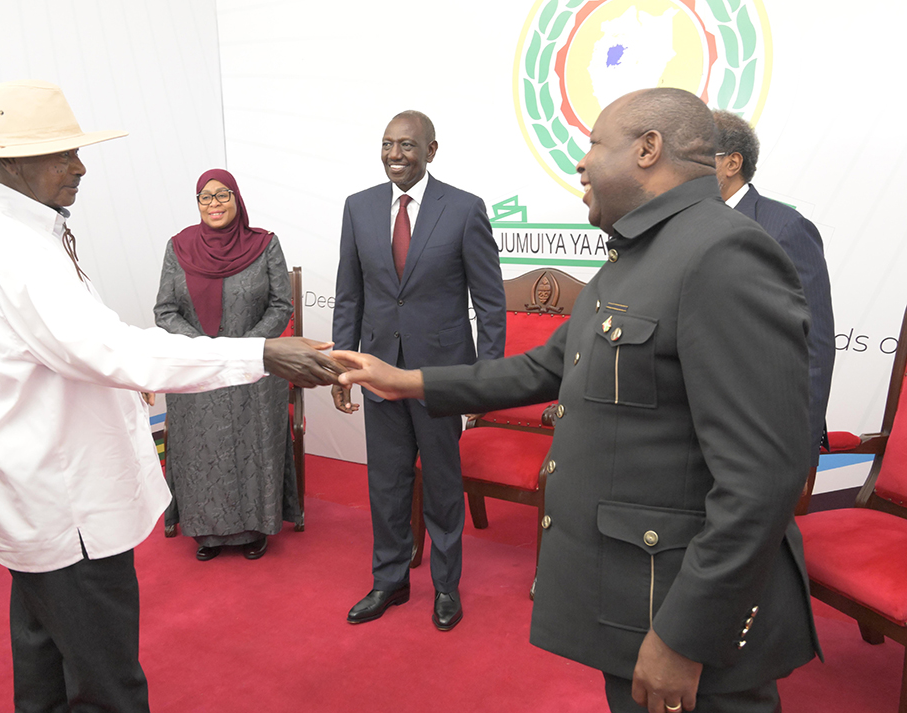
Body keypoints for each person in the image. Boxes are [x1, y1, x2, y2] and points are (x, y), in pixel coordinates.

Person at [333, 88, 820, 712]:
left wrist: (685, 634)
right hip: (632, 596)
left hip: (679, 613)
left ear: (649, 150)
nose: (581, 163)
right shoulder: (641, 252)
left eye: (594, 144)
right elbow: (546, 366)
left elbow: (761, 480)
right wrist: (407, 381)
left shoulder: (724, 252)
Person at [0, 80, 341, 713]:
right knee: (107, 686)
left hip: (38, 502)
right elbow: (115, 350)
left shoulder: (20, 230)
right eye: (63, 154)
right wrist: (261, 353)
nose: (80, 166)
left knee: (45, 668)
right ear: (15, 163)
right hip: (67, 513)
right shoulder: (18, 252)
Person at [331, 110, 506, 631]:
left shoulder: (465, 209)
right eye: (386, 144)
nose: (394, 155)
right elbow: (349, 294)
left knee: (443, 486)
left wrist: (485, 380)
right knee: (386, 484)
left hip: (441, 377)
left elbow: (490, 304)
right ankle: (390, 579)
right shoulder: (358, 208)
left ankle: (447, 586)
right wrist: (344, 365)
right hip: (379, 371)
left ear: (431, 151)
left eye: (406, 146)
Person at [154, 169, 297, 562]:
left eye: (222, 195)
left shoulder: (265, 244)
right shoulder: (178, 246)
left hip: (251, 366)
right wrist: (204, 348)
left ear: (237, 199)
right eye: (205, 197)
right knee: (201, 446)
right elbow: (164, 311)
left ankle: (255, 529)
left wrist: (241, 349)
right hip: (197, 369)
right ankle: (206, 531)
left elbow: (281, 305)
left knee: (252, 442)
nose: (214, 204)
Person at [713, 110, 835, 466]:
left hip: (759, 431)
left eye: (697, 157)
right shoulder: (681, 224)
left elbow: (814, 343)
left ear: (732, 163)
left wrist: (800, 450)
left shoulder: (785, 229)